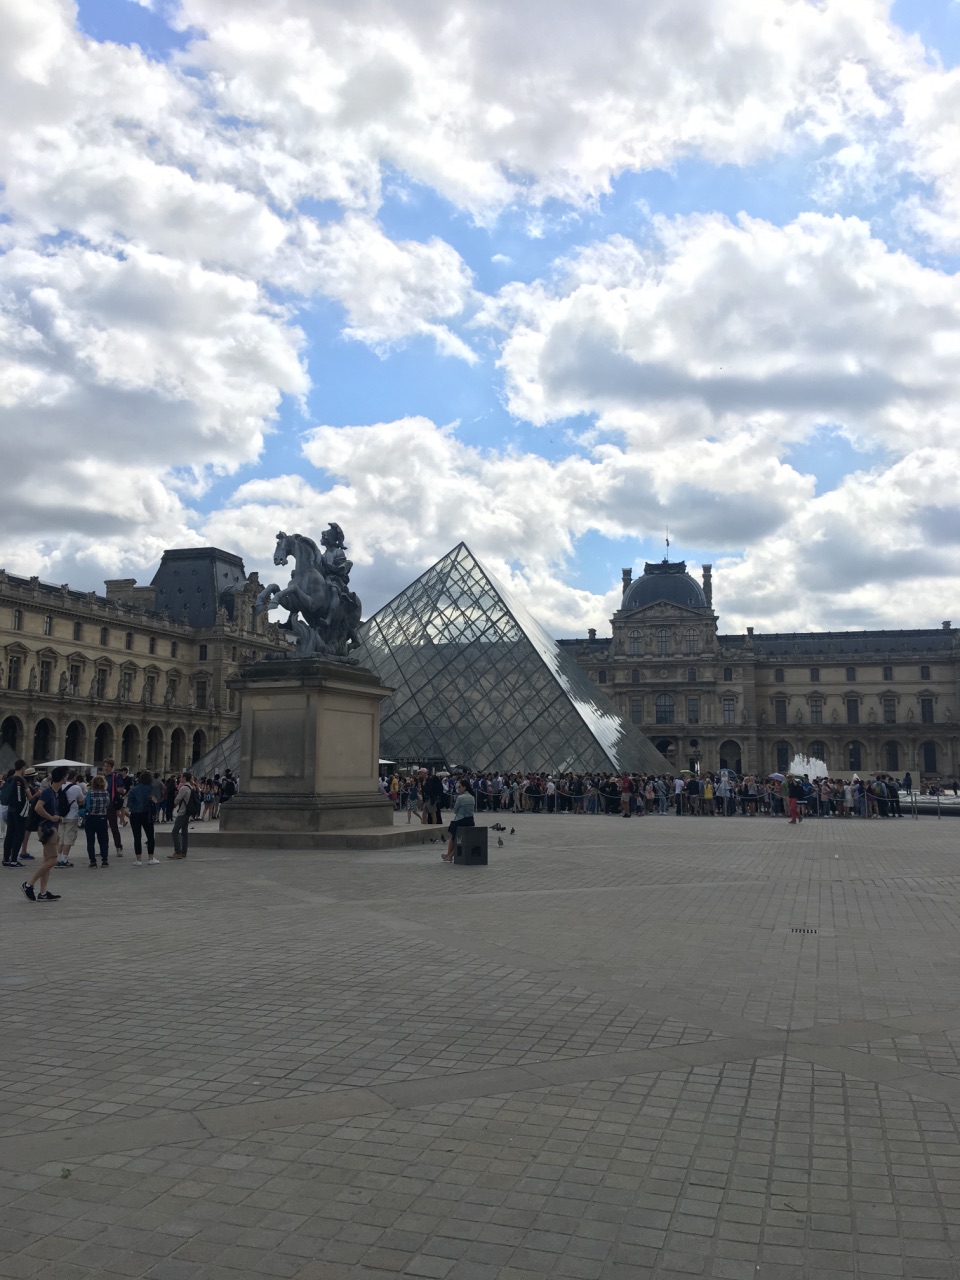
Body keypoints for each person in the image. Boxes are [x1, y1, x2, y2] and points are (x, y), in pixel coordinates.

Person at [22, 766, 68, 901]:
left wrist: (57, 819)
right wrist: (51, 817)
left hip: (51, 827)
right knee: (53, 860)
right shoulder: (48, 792)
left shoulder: (55, 792)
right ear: (63, 777)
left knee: (46, 861)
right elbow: (38, 807)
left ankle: (42, 893)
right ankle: (28, 884)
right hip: (47, 828)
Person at [127, 770, 159, 864]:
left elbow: (129, 804)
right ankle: (151, 858)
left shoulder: (133, 789)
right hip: (147, 814)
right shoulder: (151, 788)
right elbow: (156, 801)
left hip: (135, 815)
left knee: (137, 837)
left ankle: (138, 859)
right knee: (150, 836)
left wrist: (135, 807)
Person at [55, 769, 86, 868]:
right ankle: (64, 859)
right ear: (74, 777)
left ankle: (58, 858)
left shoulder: (59, 786)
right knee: (68, 838)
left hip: (60, 815)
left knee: (60, 838)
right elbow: (81, 801)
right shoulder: (76, 787)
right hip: (72, 815)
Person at [2, 760, 29, 868]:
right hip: (20, 810)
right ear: (23, 767)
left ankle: (6, 859)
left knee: (9, 834)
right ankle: (14, 860)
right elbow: (29, 796)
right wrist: (38, 793)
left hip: (11, 808)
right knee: (19, 834)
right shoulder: (21, 779)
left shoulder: (10, 778)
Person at [442, 781, 476, 862]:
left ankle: (449, 855)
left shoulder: (460, 798)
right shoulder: (472, 797)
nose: (458, 788)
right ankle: (449, 855)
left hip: (460, 820)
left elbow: (455, 810)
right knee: (459, 839)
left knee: (454, 838)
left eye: (459, 787)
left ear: (464, 787)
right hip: (470, 820)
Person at [83, 775, 111, 867]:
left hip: (91, 818)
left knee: (90, 841)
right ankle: (104, 860)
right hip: (102, 818)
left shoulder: (89, 793)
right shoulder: (106, 793)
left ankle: (93, 861)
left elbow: (87, 806)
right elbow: (107, 804)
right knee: (103, 840)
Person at [169, 771, 197, 860]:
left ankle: (178, 852)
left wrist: (175, 803)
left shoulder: (184, 788)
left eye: (181, 777)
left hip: (182, 812)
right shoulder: (191, 787)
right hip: (188, 812)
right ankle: (184, 852)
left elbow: (176, 800)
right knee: (184, 832)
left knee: (174, 832)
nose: (180, 778)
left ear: (184, 778)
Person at [102, 759, 126, 856]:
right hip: (102, 806)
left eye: (108, 766)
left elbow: (122, 789)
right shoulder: (101, 777)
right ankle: (104, 848)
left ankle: (119, 847)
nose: (106, 768)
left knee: (114, 827)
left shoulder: (116, 777)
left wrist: (119, 789)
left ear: (111, 767)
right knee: (103, 829)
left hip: (111, 805)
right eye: (105, 766)